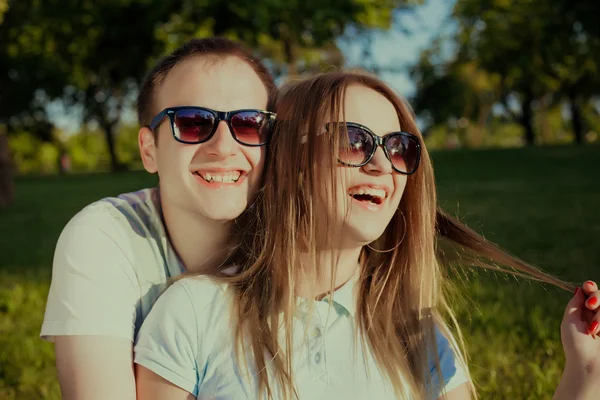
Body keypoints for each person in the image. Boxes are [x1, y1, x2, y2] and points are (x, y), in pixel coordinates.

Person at [134, 70, 600, 399]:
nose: (381, 165)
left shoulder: (415, 333)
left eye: (398, 148)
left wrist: (585, 374)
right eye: (352, 141)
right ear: (287, 163)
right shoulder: (191, 313)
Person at [40, 37, 277, 400]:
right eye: (194, 123)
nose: (225, 146)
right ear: (150, 151)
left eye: (249, 124)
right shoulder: (104, 238)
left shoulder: (295, 240)